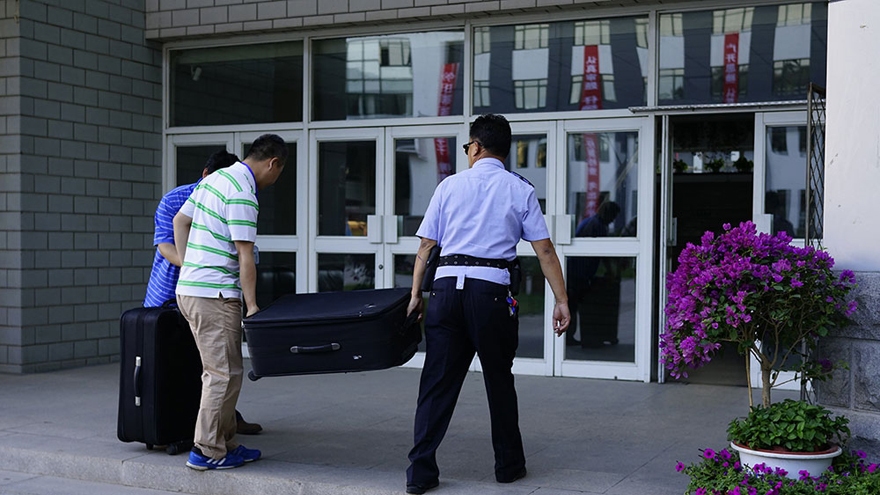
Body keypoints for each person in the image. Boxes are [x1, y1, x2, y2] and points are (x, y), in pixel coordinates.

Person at [404, 114, 570, 494]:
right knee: (499, 380)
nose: (467, 152)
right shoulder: (519, 188)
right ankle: (508, 467)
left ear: (476, 146)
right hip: (491, 294)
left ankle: (420, 473)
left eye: (467, 147)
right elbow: (543, 249)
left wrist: (416, 295)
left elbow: (426, 246)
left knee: (436, 383)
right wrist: (561, 300)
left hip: (446, 291)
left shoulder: (449, 186)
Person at [173, 134, 288, 470]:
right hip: (215, 294)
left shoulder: (215, 179)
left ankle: (226, 443)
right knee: (221, 375)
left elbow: (180, 221)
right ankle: (206, 450)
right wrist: (252, 306)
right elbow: (245, 255)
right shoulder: (242, 192)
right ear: (273, 163)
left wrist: (188, 265)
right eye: (278, 173)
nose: (275, 180)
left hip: (191, 291)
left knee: (227, 372)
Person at [143, 149, 263, 436]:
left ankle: (225, 424)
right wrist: (195, 265)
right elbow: (165, 245)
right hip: (171, 294)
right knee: (211, 368)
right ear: (206, 175)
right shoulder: (177, 198)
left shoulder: (230, 190)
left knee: (217, 365)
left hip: (199, 288)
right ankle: (188, 431)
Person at [566, 201, 621, 347]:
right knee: (573, 305)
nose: (613, 220)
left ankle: (569, 337)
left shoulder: (590, 222)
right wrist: (610, 271)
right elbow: (601, 251)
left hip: (577, 270)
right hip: (578, 272)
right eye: (614, 216)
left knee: (572, 305)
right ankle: (569, 337)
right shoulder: (596, 226)